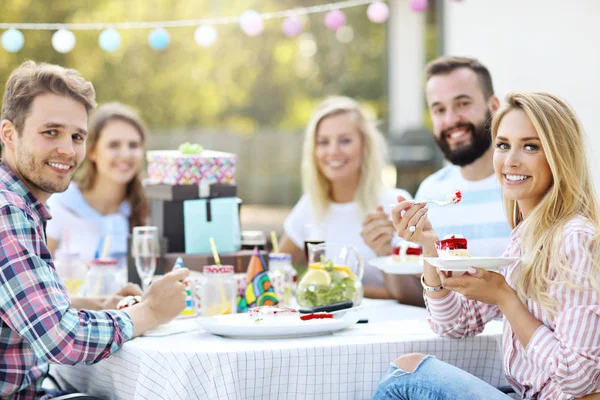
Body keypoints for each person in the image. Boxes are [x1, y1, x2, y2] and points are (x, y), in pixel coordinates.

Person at [374, 91, 600, 399]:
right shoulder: (524, 238)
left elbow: (578, 378)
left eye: (530, 146)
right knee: (406, 371)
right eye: (503, 145)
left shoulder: (575, 237)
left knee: (407, 377)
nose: (511, 161)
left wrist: (506, 298)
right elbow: (453, 324)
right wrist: (430, 247)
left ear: (559, 156)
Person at [0, 61, 188, 399]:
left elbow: (23, 309)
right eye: (50, 132)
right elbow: (63, 341)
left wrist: (100, 303)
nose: (68, 150)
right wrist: (149, 312)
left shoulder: (22, 205)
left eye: (77, 136)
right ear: (9, 134)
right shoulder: (7, 210)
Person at [362, 56, 512, 305]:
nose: (451, 120)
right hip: (455, 336)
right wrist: (385, 249)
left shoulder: (523, 185)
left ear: (494, 106)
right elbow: (419, 295)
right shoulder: (432, 190)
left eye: (462, 103)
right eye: (439, 109)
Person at [279, 96, 412, 299]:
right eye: (323, 142)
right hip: (327, 324)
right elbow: (277, 270)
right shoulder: (310, 206)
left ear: (364, 146)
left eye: (345, 141)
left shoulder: (395, 204)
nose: (333, 151)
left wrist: (384, 254)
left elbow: (413, 294)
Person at [45, 102, 148, 281]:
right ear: (92, 151)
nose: (126, 154)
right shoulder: (59, 206)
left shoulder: (149, 207)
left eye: (133, 145)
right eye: (114, 145)